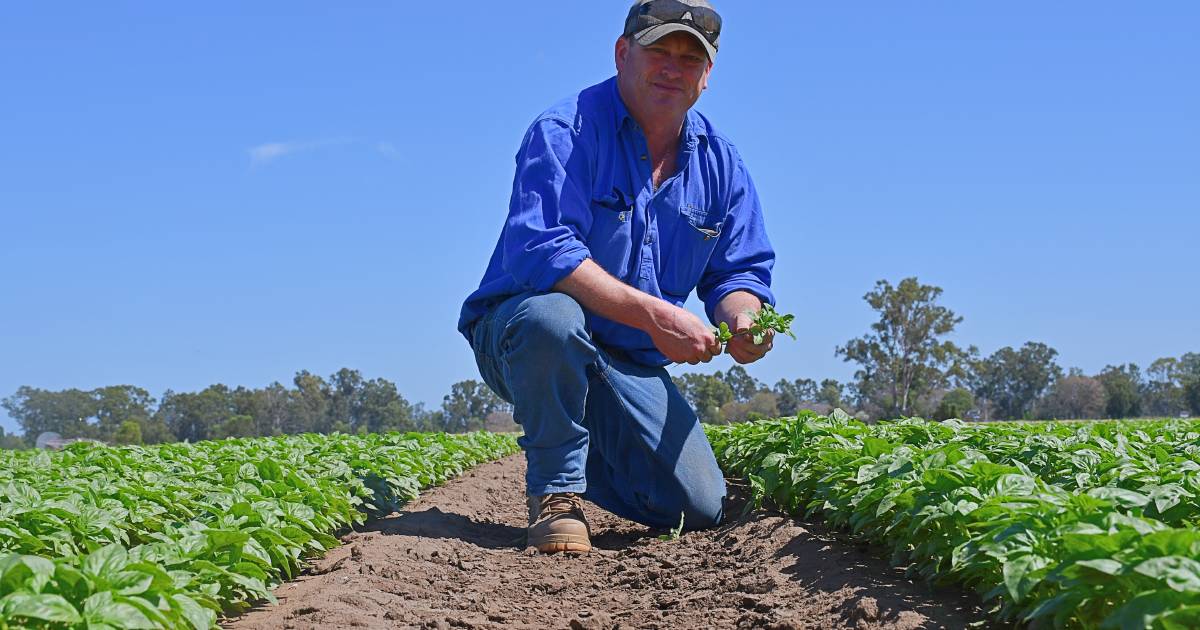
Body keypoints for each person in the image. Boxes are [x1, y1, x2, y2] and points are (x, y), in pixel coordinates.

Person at [457, 0, 776, 554]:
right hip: (521, 333)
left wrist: (744, 318)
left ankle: (562, 434)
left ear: (708, 74)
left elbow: (738, 272)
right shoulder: (566, 131)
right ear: (623, 53)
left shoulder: (720, 164)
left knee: (696, 506)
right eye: (659, 51)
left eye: (689, 58)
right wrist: (655, 315)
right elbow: (541, 252)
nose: (672, 69)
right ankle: (556, 492)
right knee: (553, 319)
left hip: (625, 360)